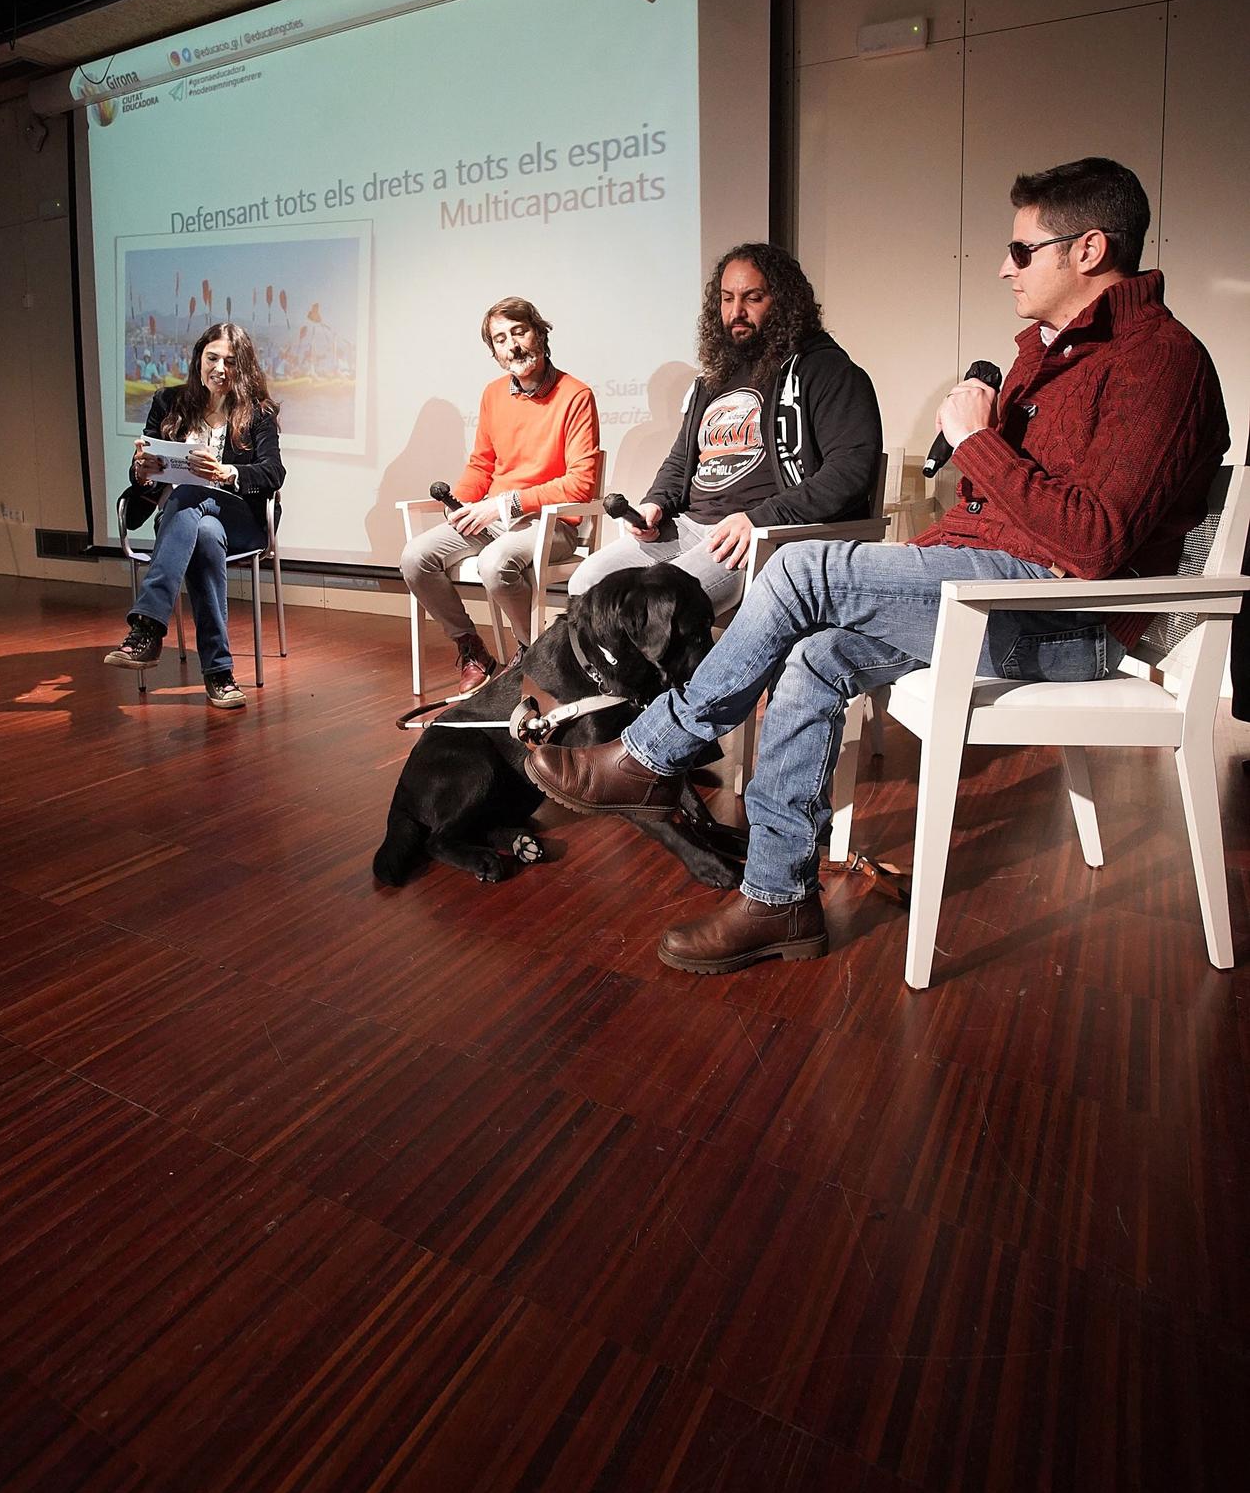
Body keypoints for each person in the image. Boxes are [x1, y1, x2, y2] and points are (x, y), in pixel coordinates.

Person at [525, 158, 1230, 973]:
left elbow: (1096, 543)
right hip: (989, 587)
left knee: (796, 571)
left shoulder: (1161, 361)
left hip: (1069, 620)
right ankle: (779, 896)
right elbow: (993, 517)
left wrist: (976, 441)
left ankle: (653, 755)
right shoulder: (1044, 354)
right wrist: (912, 546)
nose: (1004, 265)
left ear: (1089, 250)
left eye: (1022, 248)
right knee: (814, 653)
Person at [569, 243, 881, 613]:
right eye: (727, 298)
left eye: (753, 298)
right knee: (586, 583)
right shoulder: (714, 377)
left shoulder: (827, 371)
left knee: (658, 605)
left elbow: (850, 471)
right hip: (689, 526)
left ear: (784, 302)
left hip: (758, 534)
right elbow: (681, 458)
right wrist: (656, 503)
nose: (736, 312)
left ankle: (679, 673)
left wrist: (759, 518)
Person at [401, 297, 601, 692]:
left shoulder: (576, 395)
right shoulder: (493, 394)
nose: (513, 345)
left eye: (519, 331)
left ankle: (535, 653)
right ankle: (471, 647)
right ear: (493, 353)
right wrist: (458, 504)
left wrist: (505, 504)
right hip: (495, 519)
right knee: (415, 557)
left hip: (552, 524)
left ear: (539, 333)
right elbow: (481, 464)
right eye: (500, 339)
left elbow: (580, 483)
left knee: (495, 563)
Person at [104, 322, 285, 709]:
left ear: (244, 367)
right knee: (202, 531)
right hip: (185, 521)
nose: (220, 368)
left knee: (190, 494)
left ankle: (148, 626)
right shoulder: (168, 403)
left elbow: (273, 472)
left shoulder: (259, 413)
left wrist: (226, 472)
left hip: (241, 519)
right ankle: (219, 673)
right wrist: (143, 470)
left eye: (231, 361)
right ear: (199, 360)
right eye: (212, 358)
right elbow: (144, 477)